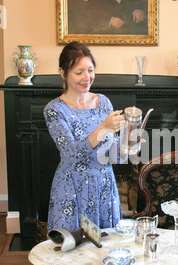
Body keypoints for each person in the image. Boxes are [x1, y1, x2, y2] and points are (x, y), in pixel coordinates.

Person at [43, 41, 125, 232]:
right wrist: (103, 127)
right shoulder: (54, 110)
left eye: (90, 70)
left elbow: (113, 155)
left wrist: (128, 145)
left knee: (105, 252)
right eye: (78, 72)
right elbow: (70, 154)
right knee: (71, 253)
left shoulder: (104, 102)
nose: (86, 77)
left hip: (104, 186)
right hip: (72, 189)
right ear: (63, 74)